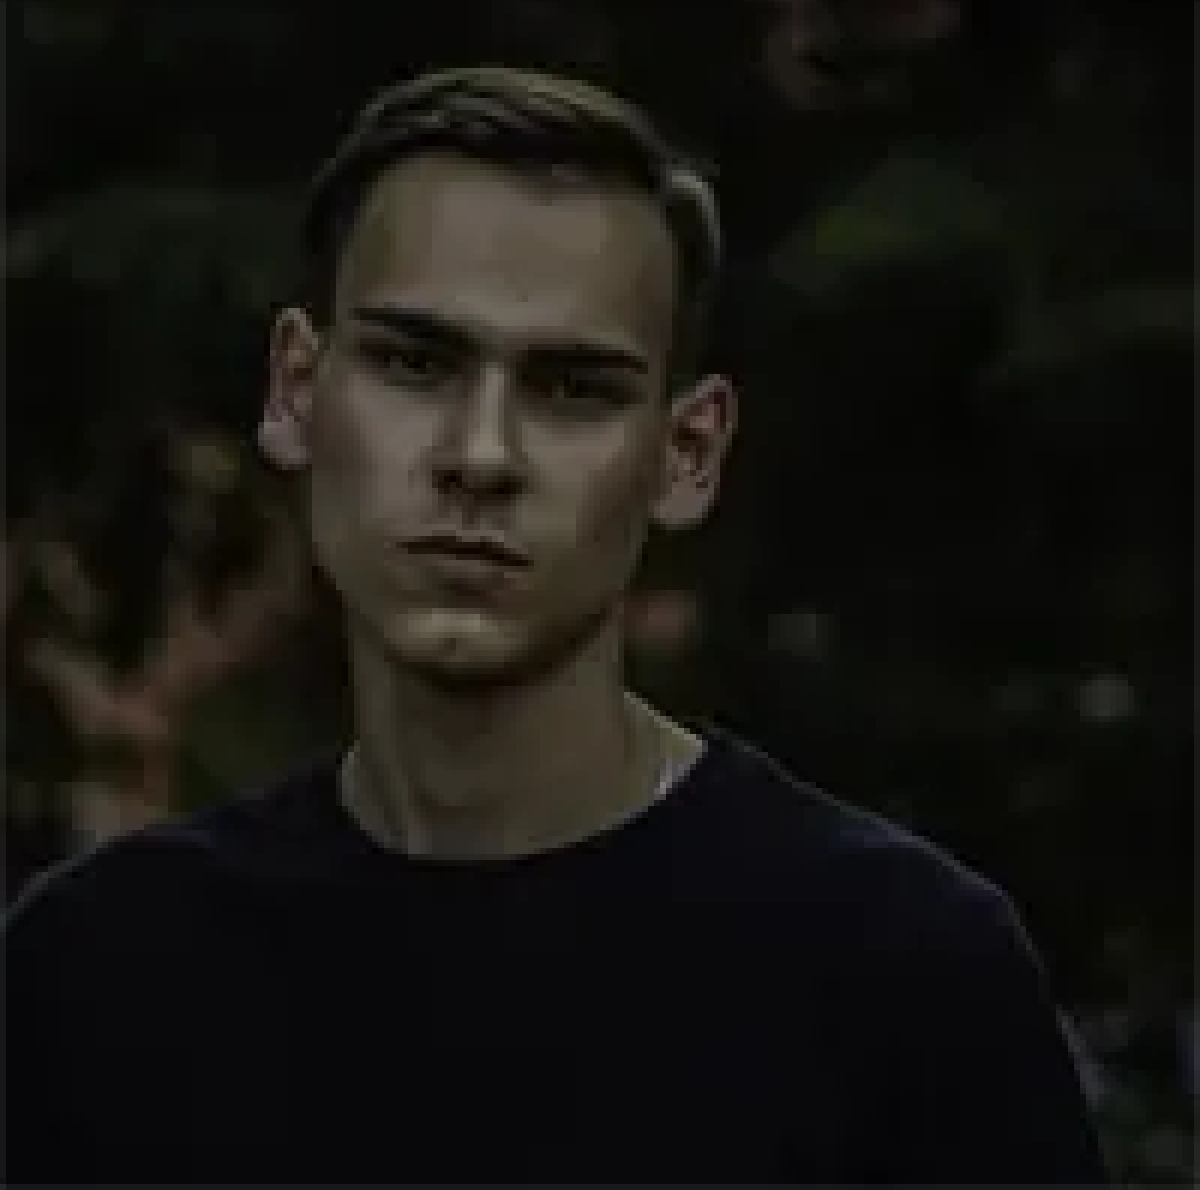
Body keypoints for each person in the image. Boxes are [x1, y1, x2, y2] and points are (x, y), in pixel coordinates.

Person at [4, 66, 1109, 1183]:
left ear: (686, 455)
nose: (481, 456)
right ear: (297, 390)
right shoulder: (96, 973)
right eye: (414, 362)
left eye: (574, 388)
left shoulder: (901, 978)